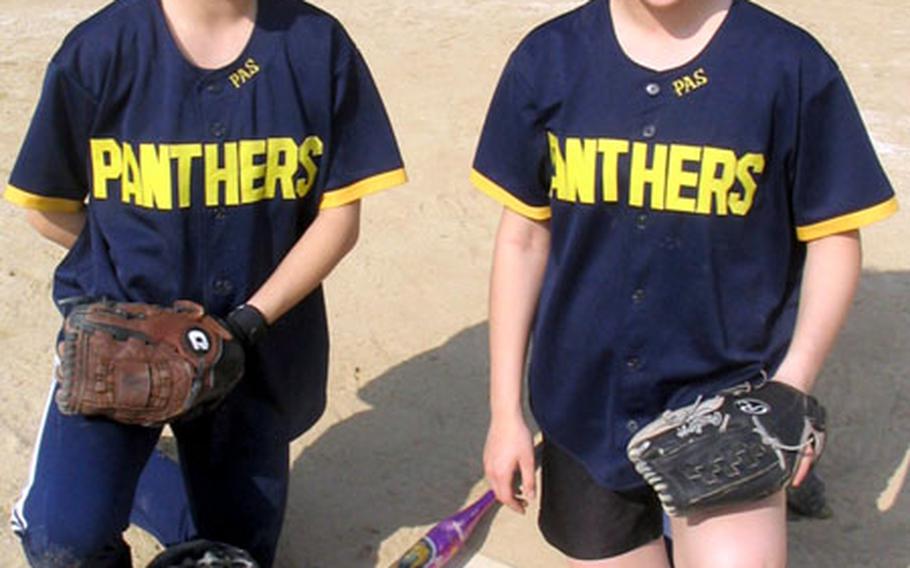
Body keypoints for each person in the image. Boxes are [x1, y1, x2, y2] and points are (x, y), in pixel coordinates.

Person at [472, 0, 896, 566]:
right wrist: (506, 414)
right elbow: (523, 239)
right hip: (584, 399)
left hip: (729, 399)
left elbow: (834, 236)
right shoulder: (550, 58)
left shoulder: (787, 64)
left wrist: (791, 386)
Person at [4, 0, 406, 565]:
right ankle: (88, 482)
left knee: (235, 556)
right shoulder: (100, 49)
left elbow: (338, 220)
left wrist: (243, 326)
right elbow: (48, 209)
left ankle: (141, 473)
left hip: (250, 344)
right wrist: (134, 300)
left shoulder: (315, 45)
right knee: (63, 542)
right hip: (123, 341)